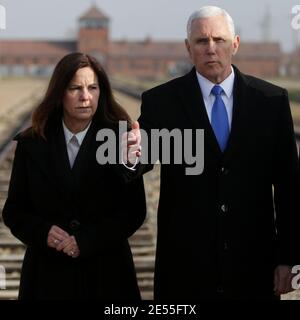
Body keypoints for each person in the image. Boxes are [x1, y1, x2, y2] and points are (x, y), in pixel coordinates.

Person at [122, 6, 299, 300]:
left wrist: (289, 257)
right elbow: (144, 153)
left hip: (254, 265)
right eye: (202, 41)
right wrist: (130, 155)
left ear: (236, 44)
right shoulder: (162, 101)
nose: (211, 49)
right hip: (185, 268)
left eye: (219, 39)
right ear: (188, 48)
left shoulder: (271, 102)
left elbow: (289, 186)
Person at [2, 52, 146, 300]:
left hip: (107, 276)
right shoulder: (31, 144)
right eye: (75, 88)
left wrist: (87, 241)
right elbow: (14, 212)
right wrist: (42, 231)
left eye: (92, 87)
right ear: (59, 93)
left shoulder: (121, 139)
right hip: (47, 278)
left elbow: (134, 212)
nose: (85, 97)